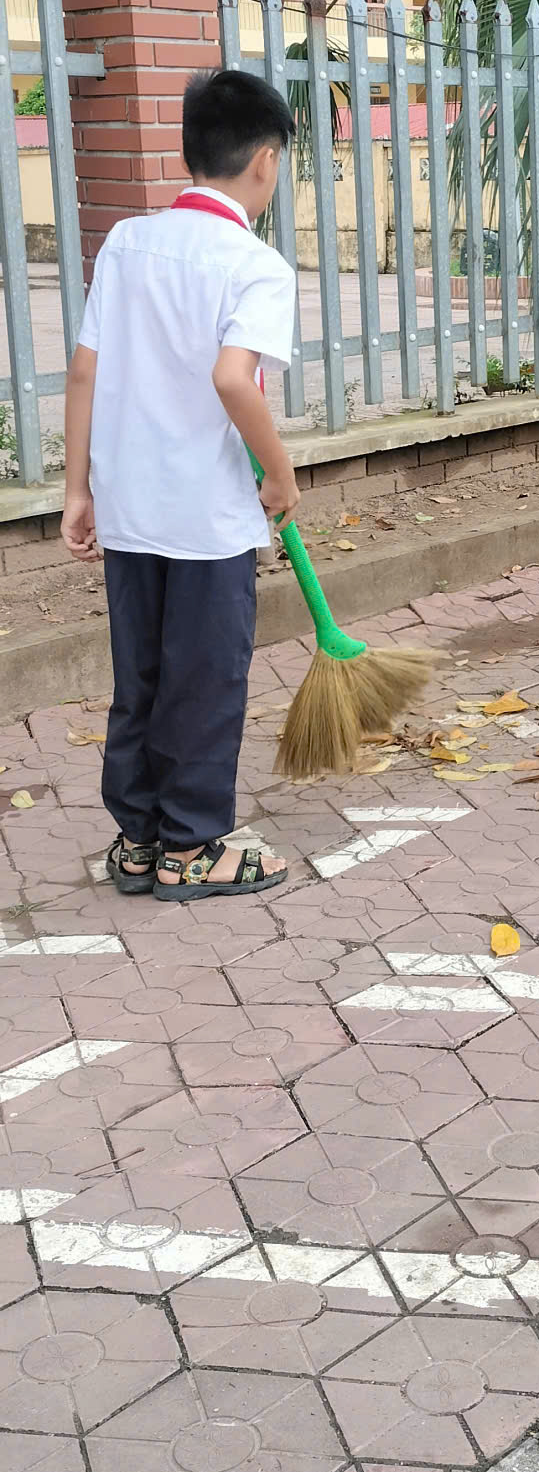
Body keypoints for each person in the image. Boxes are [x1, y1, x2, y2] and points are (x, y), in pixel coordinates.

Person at [62, 68, 302, 897]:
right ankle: (194, 845)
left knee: (141, 675)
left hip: (130, 505)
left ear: (192, 151)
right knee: (204, 678)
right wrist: (281, 472)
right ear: (265, 161)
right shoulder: (254, 264)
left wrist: (77, 490)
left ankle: (138, 839)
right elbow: (233, 379)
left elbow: (84, 371)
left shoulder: (126, 242)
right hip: (205, 514)